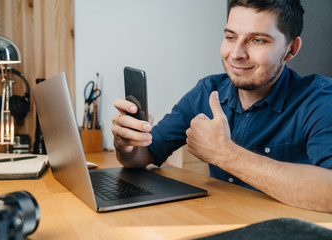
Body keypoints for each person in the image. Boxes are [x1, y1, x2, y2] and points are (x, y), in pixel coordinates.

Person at [112, 0, 332, 213]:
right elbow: (144, 155)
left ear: (291, 49)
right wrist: (126, 145)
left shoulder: (319, 99)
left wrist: (225, 154)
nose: (236, 53)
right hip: (220, 222)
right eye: (230, 37)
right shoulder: (207, 91)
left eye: (257, 40)